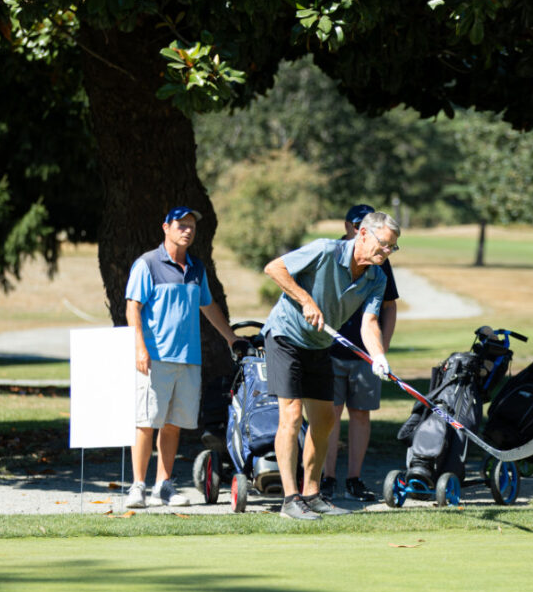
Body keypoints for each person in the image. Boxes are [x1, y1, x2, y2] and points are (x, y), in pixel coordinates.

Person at [262, 211, 401, 520]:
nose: (387, 252)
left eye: (393, 247)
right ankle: (289, 500)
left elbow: (370, 322)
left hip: (321, 345)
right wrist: (306, 300)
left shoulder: (377, 277)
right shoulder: (326, 250)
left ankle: (312, 495)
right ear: (363, 234)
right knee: (292, 414)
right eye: (384, 244)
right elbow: (274, 268)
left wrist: (378, 356)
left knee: (324, 421)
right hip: (285, 336)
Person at [124, 206, 241, 509]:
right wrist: (139, 346)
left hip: (189, 358)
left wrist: (230, 337)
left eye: (191, 226)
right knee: (146, 421)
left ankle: (163, 485)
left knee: (173, 424)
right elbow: (132, 307)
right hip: (155, 356)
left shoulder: (196, 267)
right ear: (166, 227)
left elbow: (208, 305)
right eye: (181, 225)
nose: (187, 230)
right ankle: (137, 486)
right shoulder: (147, 264)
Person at [319, 205, 399, 502]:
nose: (359, 229)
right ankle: (327, 478)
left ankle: (354, 478)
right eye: (356, 224)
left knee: (360, 414)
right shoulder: (334, 254)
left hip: (366, 353)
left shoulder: (380, 261)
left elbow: (388, 307)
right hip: (330, 350)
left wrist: (382, 349)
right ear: (351, 226)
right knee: (329, 416)